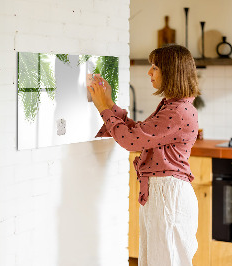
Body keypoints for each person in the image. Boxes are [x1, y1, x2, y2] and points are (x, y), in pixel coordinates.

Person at [88, 44, 200, 266]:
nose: (149, 72)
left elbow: (131, 141)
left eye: (155, 67)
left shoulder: (177, 111)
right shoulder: (173, 106)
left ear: (171, 72)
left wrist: (103, 108)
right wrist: (109, 104)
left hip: (168, 195)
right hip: (163, 193)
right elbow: (139, 133)